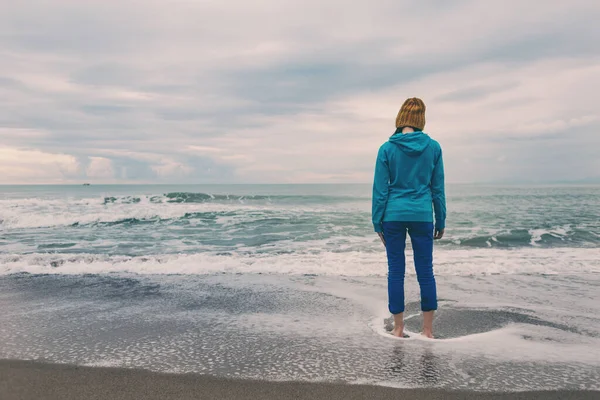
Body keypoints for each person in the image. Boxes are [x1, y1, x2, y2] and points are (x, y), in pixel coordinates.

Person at [372, 97, 446, 338]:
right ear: (420, 119)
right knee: (425, 271)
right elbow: (438, 188)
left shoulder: (387, 148)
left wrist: (377, 221)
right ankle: (428, 331)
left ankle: (398, 328)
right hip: (422, 214)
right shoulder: (433, 147)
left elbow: (381, 190)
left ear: (401, 117)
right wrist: (441, 219)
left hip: (392, 215)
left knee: (396, 271)